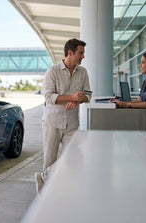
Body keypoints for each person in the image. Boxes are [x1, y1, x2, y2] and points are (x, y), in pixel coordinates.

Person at [35, 38, 91, 193]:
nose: (83, 56)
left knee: (74, 158)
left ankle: (44, 178)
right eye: (81, 53)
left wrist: (79, 98)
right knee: (50, 159)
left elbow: (88, 95)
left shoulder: (83, 72)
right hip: (52, 122)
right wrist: (71, 97)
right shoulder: (52, 71)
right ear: (70, 53)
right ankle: (46, 194)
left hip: (72, 123)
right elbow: (48, 97)